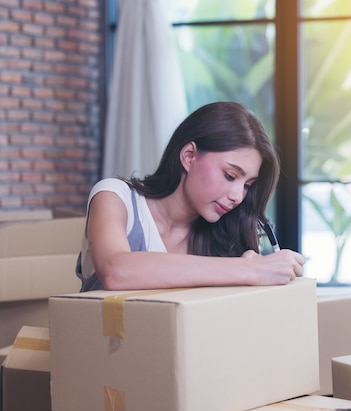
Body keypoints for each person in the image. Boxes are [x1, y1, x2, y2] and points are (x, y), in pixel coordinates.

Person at [77, 101, 306, 291]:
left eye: (248, 185)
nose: (238, 196)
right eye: (229, 175)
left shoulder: (224, 239)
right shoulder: (115, 197)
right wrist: (250, 269)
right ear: (189, 156)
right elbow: (117, 271)